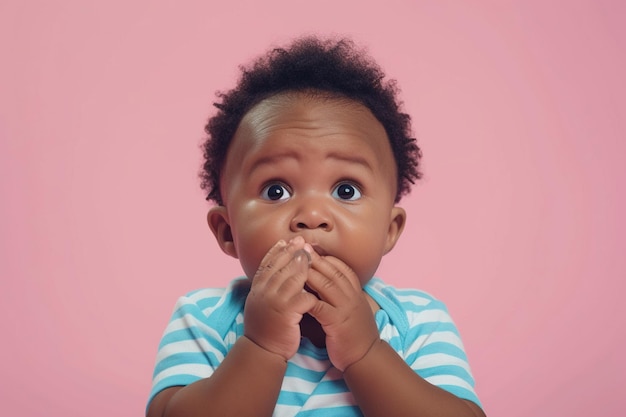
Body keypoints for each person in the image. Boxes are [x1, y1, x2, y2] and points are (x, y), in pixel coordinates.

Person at [146, 36, 485, 417]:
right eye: (276, 190)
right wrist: (260, 347)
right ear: (227, 230)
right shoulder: (205, 318)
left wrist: (365, 351)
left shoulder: (417, 322)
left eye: (346, 190)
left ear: (390, 230)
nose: (311, 216)